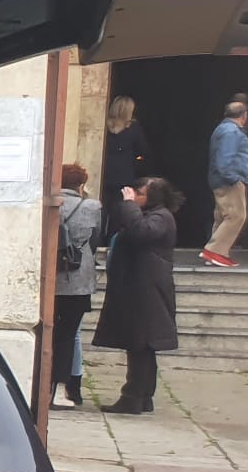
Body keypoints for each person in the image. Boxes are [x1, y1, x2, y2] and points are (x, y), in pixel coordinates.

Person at [92, 176, 182, 415]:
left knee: (141, 344)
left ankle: (133, 396)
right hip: (140, 288)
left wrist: (130, 206)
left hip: (147, 291)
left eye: (138, 193)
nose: (132, 197)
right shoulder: (154, 216)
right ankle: (142, 395)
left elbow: (141, 233)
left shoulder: (160, 217)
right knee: (140, 345)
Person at [50, 163, 100, 410]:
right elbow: (96, 240)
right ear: (80, 184)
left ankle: (45, 388)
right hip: (79, 279)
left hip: (50, 277)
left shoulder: (50, 204)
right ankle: (65, 389)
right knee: (69, 335)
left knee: (50, 333)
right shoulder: (92, 207)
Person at [202, 98, 248, 267]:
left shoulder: (223, 129)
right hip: (229, 181)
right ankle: (215, 251)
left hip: (221, 180)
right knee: (236, 215)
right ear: (244, 115)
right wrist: (233, 178)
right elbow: (225, 159)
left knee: (223, 216)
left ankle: (215, 254)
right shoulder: (231, 132)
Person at [99, 95, 146, 239]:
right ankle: (112, 241)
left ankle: (99, 239)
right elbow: (143, 151)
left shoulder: (103, 125)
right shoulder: (133, 128)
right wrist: (136, 163)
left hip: (104, 173)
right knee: (119, 210)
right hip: (124, 175)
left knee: (102, 209)